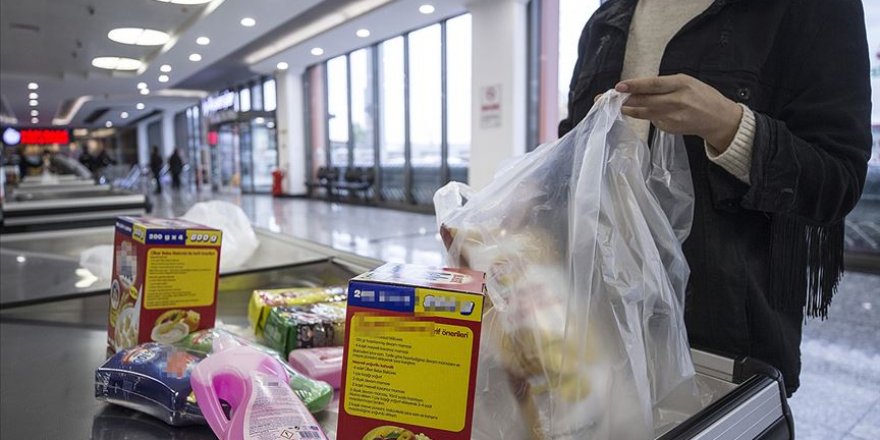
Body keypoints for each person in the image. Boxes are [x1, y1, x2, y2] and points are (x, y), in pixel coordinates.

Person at [559, 0, 871, 397]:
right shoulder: (609, 17)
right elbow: (575, 148)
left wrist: (730, 126)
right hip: (598, 330)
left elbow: (837, 180)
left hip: (722, 353)